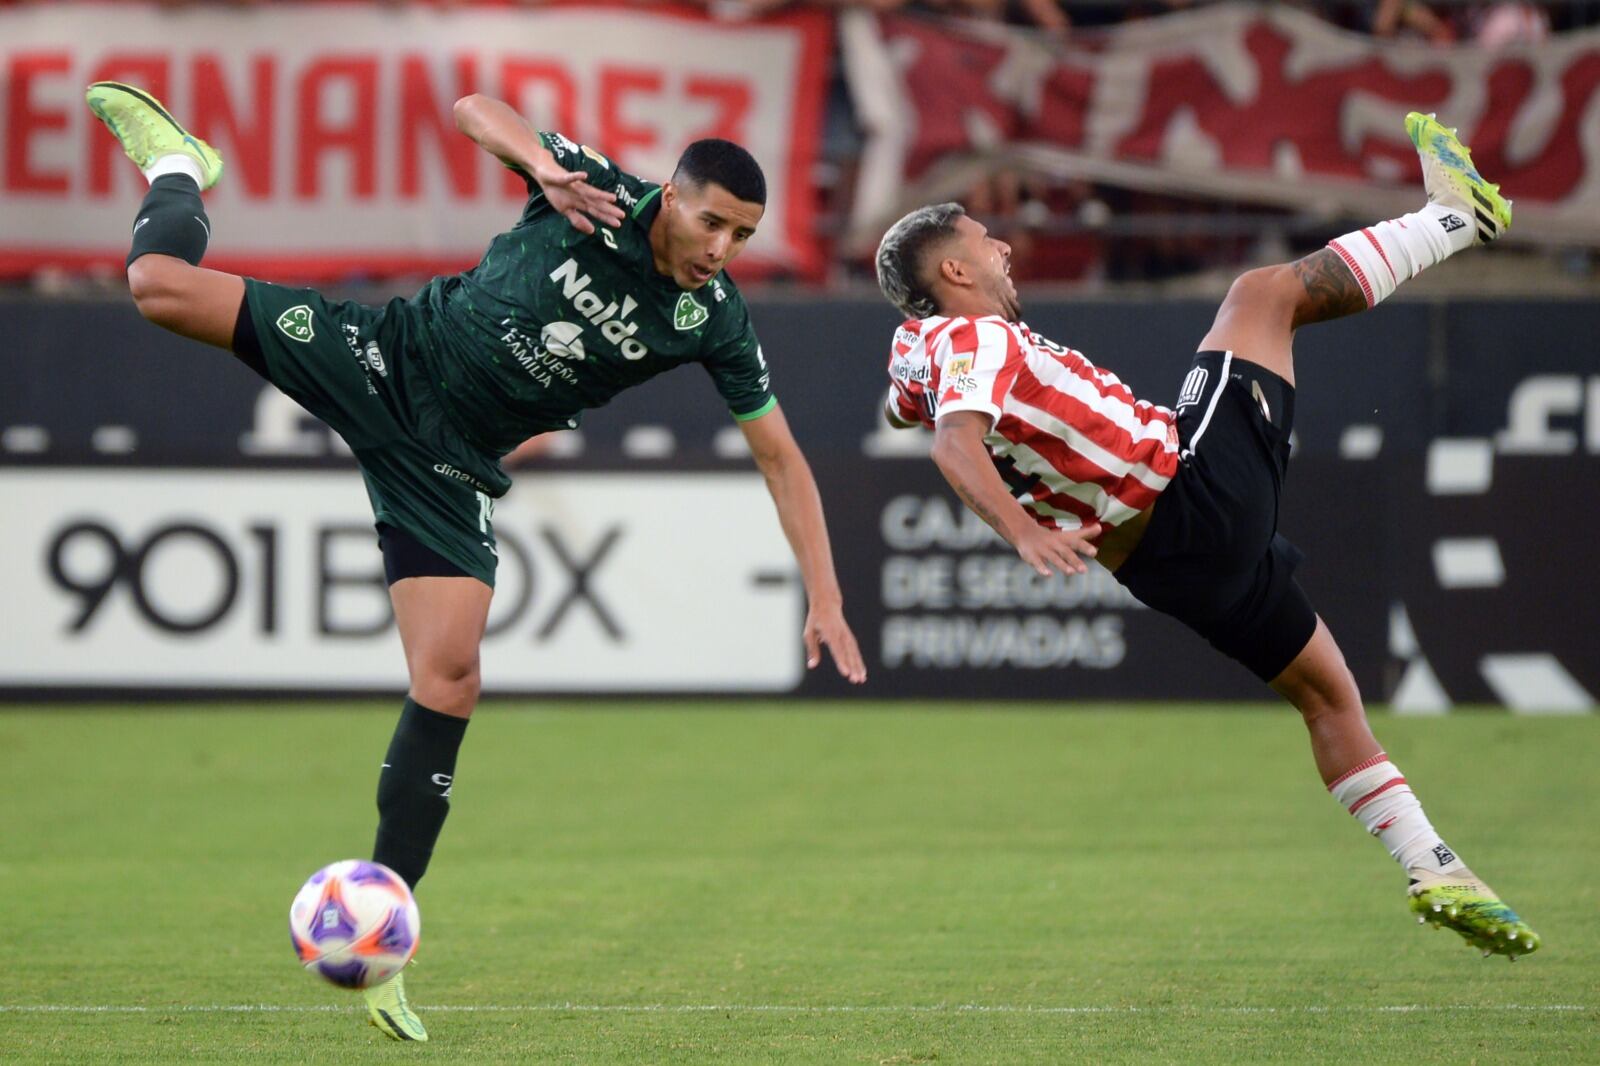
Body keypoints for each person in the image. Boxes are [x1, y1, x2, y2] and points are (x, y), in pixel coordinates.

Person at [86, 80, 868, 1041]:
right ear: (673, 196)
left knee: (450, 678)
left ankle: (381, 944)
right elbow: (471, 108)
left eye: (743, 235)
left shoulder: (714, 320)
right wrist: (541, 163)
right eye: (712, 222)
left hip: (450, 468)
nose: (722, 248)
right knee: (157, 287)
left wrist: (824, 594)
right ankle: (180, 165)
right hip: (386, 359)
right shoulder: (595, 192)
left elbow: (780, 457)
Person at [873, 112, 1539, 960]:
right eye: (983, 239)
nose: (1003, 246)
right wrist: (1021, 531)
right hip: (1192, 493)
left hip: (1169, 571)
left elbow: (905, 409)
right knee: (1260, 297)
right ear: (955, 270)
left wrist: (927, 384)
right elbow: (951, 442)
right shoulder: (974, 335)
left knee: (1327, 698)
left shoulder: (925, 348)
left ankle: (1436, 867)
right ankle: (1456, 217)